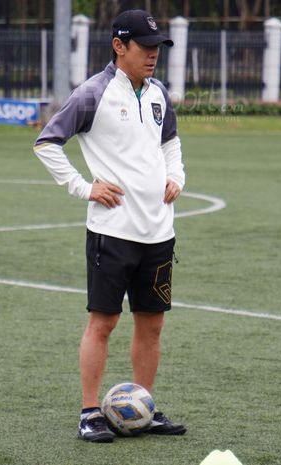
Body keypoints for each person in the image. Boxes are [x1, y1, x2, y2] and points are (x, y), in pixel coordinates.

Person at [33, 9, 186, 443]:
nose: (154, 55)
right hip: (112, 233)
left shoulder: (158, 93)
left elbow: (171, 142)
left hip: (159, 233)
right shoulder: (92, 93)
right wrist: (84, 188)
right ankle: (88, 412)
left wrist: (177, 177)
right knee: (103, 322)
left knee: (151, 323)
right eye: (145, 47)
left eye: (158, 48)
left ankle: (145, 406)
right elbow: (46, 142)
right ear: (120, 46)